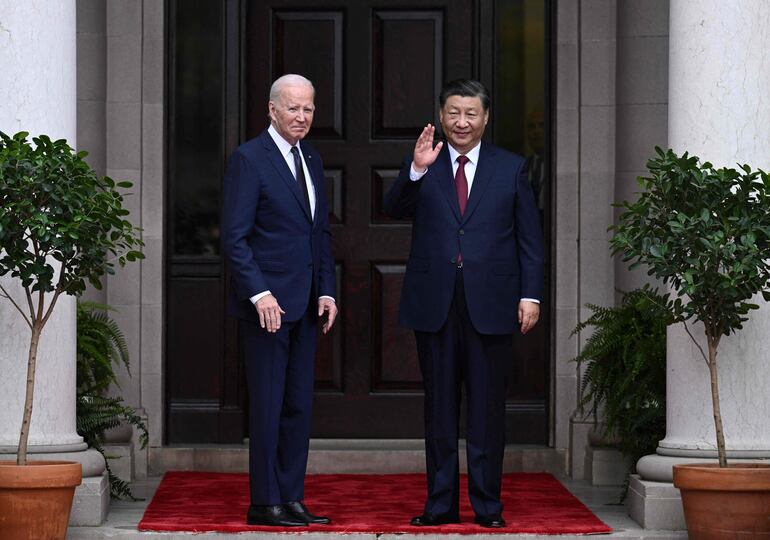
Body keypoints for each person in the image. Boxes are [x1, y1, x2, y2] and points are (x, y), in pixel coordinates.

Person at [384, 79, 544, 529]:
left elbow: (529, 241)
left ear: (485, 117)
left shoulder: (510, 168)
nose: (461, 122)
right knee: (439, 409)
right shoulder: (425, 161)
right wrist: (414, 171)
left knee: (487, 411)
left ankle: (488, 507)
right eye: (453, 112)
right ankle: (439, 505)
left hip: (491, 303)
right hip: (435, 302)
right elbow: (392, 208)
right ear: (441, 114)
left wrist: (530, 295)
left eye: (470, 113)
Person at [221, 74, 338, 527]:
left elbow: (319, 234)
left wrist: (326, 289)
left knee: (297, 406)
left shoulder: (311, 156)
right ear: (272, 110)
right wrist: (259, 293)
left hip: (306, 305)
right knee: (268, 406)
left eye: (308, 109)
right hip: (267, 308)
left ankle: (291, 497)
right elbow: (234, 239)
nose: (302, 117)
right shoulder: (249, 159)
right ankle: (263, 502)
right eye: (293, 108)